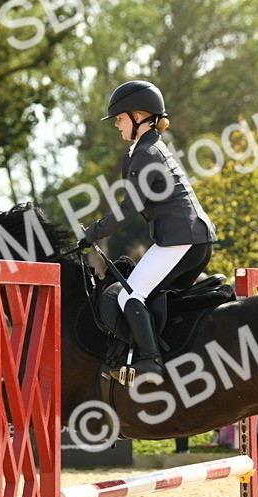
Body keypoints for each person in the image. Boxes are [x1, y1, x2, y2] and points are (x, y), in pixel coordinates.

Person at [77, 80, 218, 382]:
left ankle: (150, 362)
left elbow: (129, 209)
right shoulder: (150, 148)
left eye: (119, 118)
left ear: (139, 115)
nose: (116, 125)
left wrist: (92, 233)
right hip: (192, 240)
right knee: (155, 299)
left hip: (181, 241)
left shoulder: (146, 153)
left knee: (130, 296)